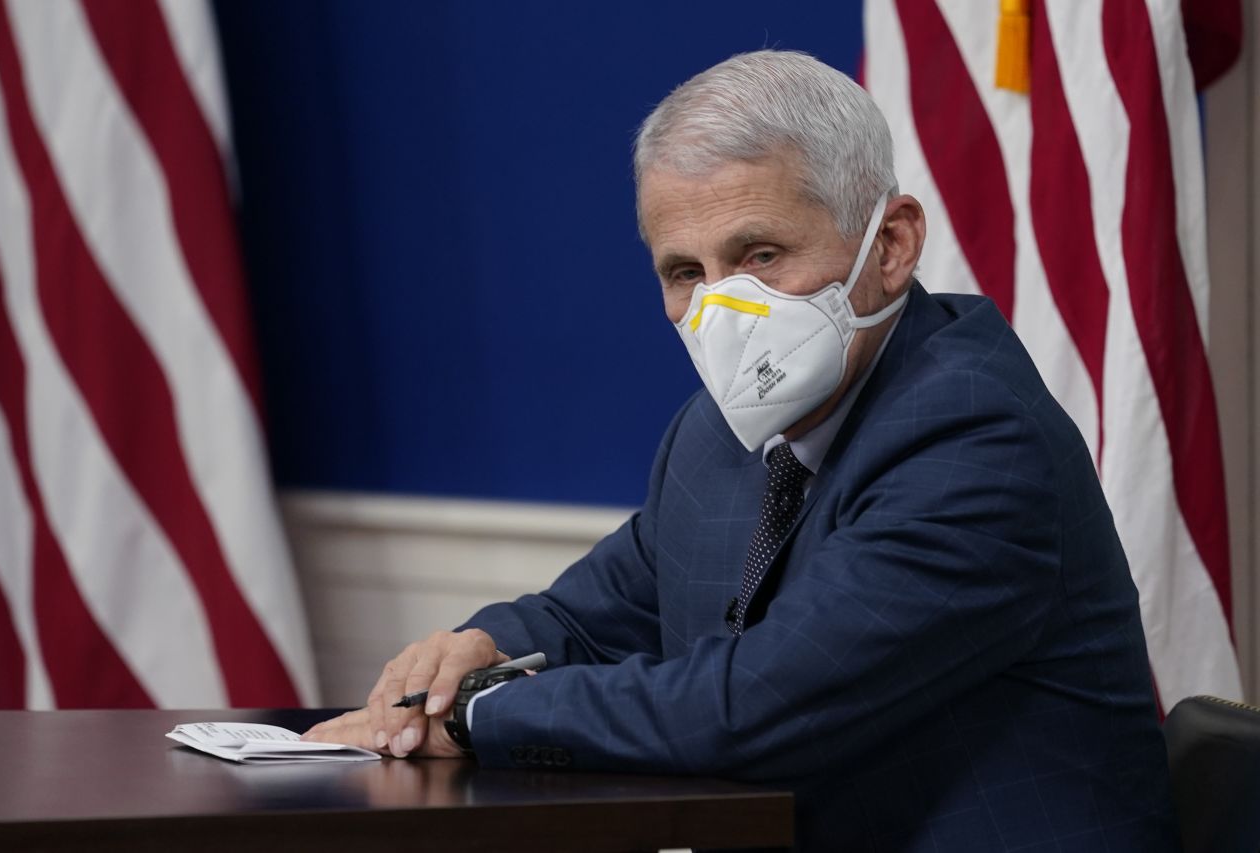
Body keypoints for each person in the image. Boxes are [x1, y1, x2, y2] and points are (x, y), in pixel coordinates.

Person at [305, 50, 1180, 851]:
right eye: (685, 271)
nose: (723, 309)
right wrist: (475, 648)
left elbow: (753, 707)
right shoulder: (720, 430)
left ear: (892, 244)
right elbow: (591, 617)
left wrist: (481, 715)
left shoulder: (976, 437)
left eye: (760, 254)